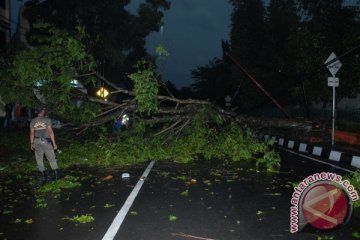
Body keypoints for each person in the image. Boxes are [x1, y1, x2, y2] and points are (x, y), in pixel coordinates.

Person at [29, 105, 60, 185]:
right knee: (51, 158)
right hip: (45, 142)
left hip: (36, 141)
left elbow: (32, 133)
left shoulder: (33, 121)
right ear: (43, 112)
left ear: (36, 112)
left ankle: (43, 176)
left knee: (39, 159)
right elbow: (50, 132)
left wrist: (31, 143)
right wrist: (54, 143)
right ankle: (57, 176)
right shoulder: (47, 120)